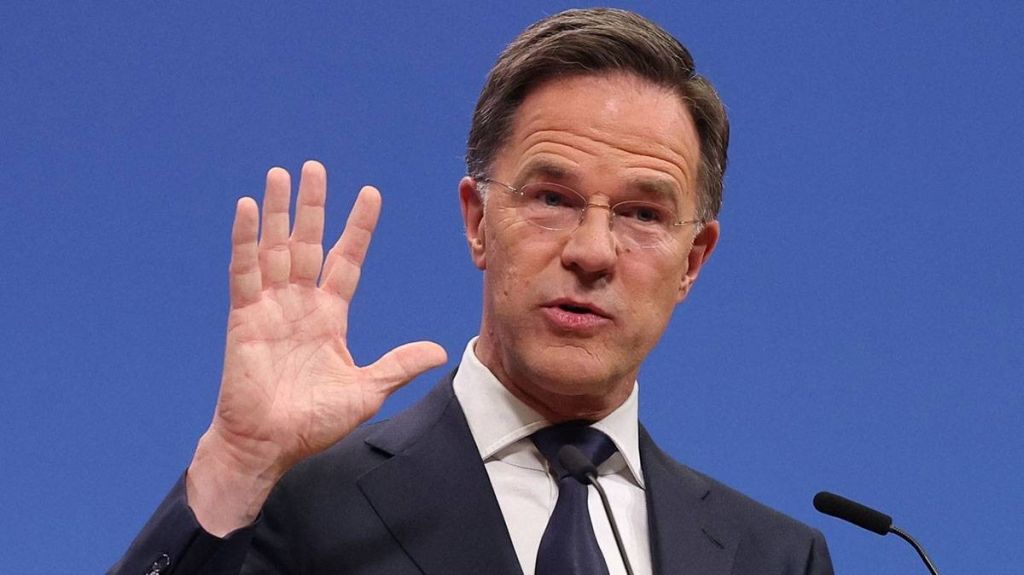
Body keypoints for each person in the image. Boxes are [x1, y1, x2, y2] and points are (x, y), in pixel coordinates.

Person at [111, 8, 833, 575]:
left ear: (692, 261)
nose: (591, 251)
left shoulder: (774, 557)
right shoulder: (301, 507)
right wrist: (236, 465)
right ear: (477, 221)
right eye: (552, 198)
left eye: (643, 214)